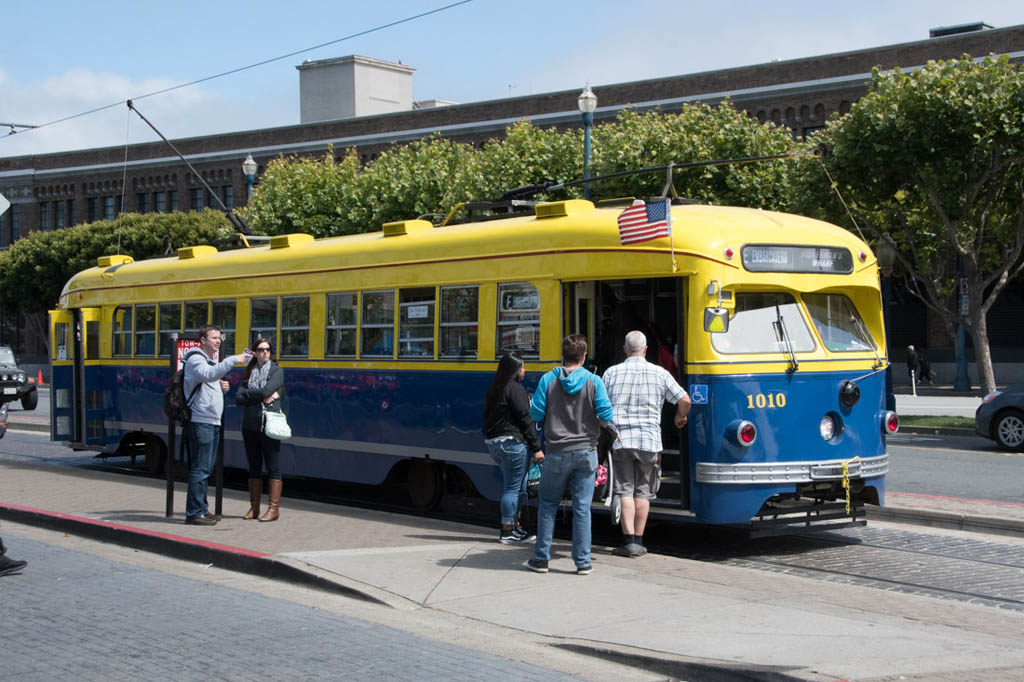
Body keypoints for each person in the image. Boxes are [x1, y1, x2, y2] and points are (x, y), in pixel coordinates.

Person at [527, 334, 613, 575]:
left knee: (547, 505)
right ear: (584, 357)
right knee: (582, 508)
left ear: (563, 355)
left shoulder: (548, 380)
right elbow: (606, 417)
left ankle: (541, 559)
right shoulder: (594, 381)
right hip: (586, 452)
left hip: (556, 452)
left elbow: (535, 414)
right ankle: (583, 562)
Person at [602, 330, 691, 558]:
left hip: (621, 440)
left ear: (624, 349)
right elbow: (684, 399)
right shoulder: (659, 373)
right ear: (645, 350)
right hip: (650, 441)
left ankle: (628, 541)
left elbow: (600, 406)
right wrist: (679, 418)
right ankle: (639, 542)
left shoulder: (612, 373)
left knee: (625, 490)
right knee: (642, 492)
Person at [184, 325, 251, 526]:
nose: (218, 341)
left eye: (219, 337)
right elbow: (209, 374)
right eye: (213, 337)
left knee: (206, 468)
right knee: (200, 468)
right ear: (202, 340)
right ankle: (194, 513)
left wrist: (221, 389)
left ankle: (202, 510)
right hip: (201, 421)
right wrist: (233, 359)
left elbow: (209, 381)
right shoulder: (196, 359)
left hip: (211, 420)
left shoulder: (209, 361)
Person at [483, 352, 544, 544]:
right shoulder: (515, 390)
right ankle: (507, 531)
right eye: (522, 367)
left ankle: (515, 527)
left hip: (495, 445)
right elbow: (525, 420)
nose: (524, 371)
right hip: (512, 444)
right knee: (512, 489)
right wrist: (536, 447)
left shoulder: (495, 389)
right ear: (515, 370)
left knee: (514, 486)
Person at [236, 338, 286, 522]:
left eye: (267, 350)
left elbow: (266, 390)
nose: (264, 353)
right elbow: (239, 397)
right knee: (254, 466)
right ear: (255, 352)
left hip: (269, 423)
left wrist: (252, 395)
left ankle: (273, 509)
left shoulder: (277, 371)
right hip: (249, 424)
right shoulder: (248, 372)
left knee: (273, 466)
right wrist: (258, 396)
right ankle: (254, 508)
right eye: (260, 349)